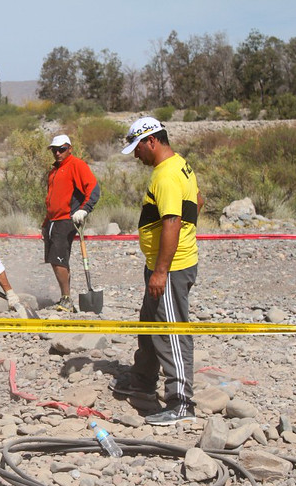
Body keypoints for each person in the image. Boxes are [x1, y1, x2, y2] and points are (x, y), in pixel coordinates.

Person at [110, 117, 204, 426]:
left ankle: (180, 401)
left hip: (171, 269)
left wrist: (162, 270)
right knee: (150, 325)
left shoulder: (164, 176)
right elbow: (198, 201)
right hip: (163, 265)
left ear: (152, 141)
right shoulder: (180, 166)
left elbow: (172, 221)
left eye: (138, 148)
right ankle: (143, 383)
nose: (136, 155)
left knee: (171, 331)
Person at [43, 134, 101, 313]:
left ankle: (67, 299)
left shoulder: (76, 165)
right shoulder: (54, 170)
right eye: (55, 150)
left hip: (66, 219)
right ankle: (65, 296)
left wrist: (84, 209)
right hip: (53, 220)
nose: (58, 153)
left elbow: (93, 187)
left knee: (58, 259)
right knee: (56, 260)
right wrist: (46, 222)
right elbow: (52, 199)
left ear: (70, 149)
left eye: (61, 149)